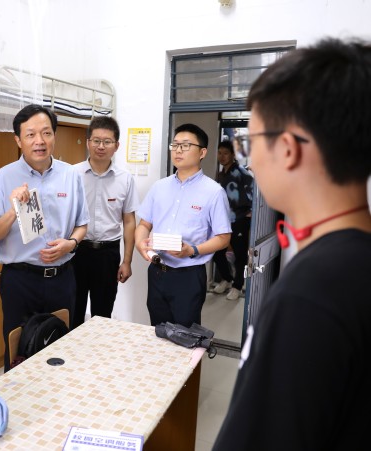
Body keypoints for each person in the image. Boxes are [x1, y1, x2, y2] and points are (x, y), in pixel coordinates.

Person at [213, 39, 371, 450]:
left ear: (287, 149)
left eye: (251, 143)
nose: (251, 161)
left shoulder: (312, 292)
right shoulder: (354, 263)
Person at [0, 104, 89, 370]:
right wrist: (13, 210)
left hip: (62, 278)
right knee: (18, 352)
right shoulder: (1, 178)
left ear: (54, 136)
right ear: (18, 140)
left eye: (46, 133)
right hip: (20, 281)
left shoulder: (70, 175)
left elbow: (82, 225)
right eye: (30, 135)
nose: (39, 141)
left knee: (61, 350)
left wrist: (70, 244)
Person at [135, 123, 231, 327]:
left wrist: (192, 250)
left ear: (202, 152)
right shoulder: (159, 187)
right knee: (158, 330)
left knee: (186, 334)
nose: (178, 150)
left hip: (189, 275)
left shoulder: (214, 192)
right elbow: (144, 224)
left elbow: (224, 238)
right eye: (175, 145)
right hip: (157, 270)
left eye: (186, 145)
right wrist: (140, 244)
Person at [71, 117, 140, 329]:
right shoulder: (72, 174)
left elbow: (129, 221)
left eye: (107, 141)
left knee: (102, 315)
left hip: (107, 254)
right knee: (73, 311)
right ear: (88, 142)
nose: (101, 146)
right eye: (96, 141)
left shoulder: (125, 179)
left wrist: (127, 261)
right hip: (76, 252)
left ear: (116, 146)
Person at [211, 139, 253, 300]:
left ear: (233, 155)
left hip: (239, 219)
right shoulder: (221, 173)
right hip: (222, 220)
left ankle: (237, 286)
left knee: (240, 254)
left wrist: (250, 211)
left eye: (226, 153)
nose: (222, 156)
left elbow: (253, 191)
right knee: (217, 253)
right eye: (219, 153)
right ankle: (227, 279)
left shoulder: (241, 172)